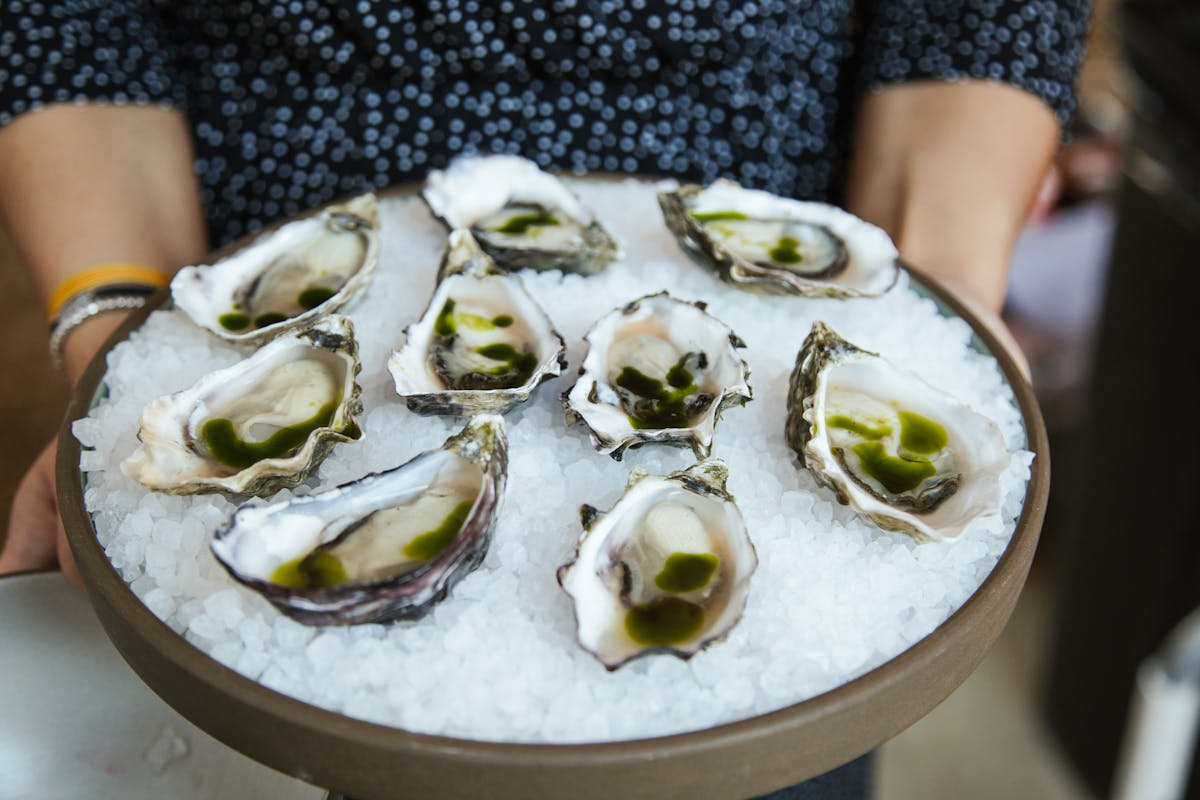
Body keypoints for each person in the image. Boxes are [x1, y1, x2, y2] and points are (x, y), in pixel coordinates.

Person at [0, 1, 1089, 795]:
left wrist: (936, 293)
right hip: (276, 234)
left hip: (753, 224)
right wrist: (124, 331)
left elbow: (974, 19)